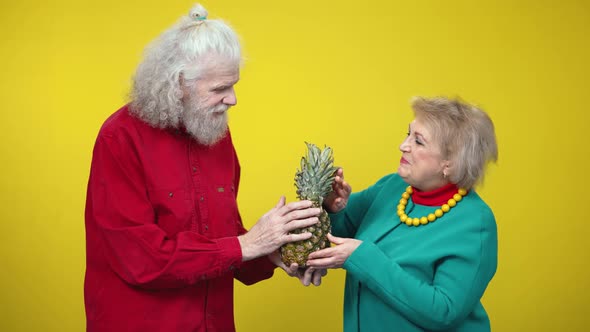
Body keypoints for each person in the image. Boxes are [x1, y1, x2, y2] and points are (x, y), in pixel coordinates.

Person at [84, 4, 324, 332]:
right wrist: (248, 244)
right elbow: (140, 259)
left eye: (233, 84)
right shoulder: (119, 138)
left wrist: (272, 253)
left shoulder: (216, 135)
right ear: (177, 84)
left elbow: (224, 241)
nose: (233, 99)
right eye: (219, 89)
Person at [307, 96, 499, 331]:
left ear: (450, 163)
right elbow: (339, 232)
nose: (403, 145)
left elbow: (444, 311)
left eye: (418, 141)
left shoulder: (474, 223)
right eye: (408, 133)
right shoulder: (393, 187)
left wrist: (363, 257)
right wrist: (333, 208)